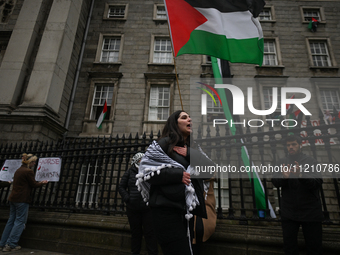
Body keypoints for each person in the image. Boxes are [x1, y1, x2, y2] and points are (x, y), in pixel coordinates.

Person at [136, 110, 214, 255]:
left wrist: (189, 153)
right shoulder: (163, 143)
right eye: (184, 117)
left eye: (190, 117)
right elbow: (145, 171)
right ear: (174, 123)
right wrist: (178, 175)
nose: (189, 119)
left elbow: (210, 170)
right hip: (166, 211)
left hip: (186, 213)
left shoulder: (193, 147)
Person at [272, 135, 323, 255]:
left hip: (310, 211)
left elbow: (318, 182)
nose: (291, 147)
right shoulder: (282, 162)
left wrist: (301, 175)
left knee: (314, 248)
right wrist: (284, 177)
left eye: (294, 144)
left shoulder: (311, 161)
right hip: (289, 212)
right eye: (289, 145)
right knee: (289, 248)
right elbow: (275, 181)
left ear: (300, 145)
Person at [0, 153, 48, 252]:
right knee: (20, 222)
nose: (35, 163)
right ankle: (11, 244)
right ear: (30, 162)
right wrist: (42, 183)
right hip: (22, 200)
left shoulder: (18, 170)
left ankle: (2, 243)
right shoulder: (28, 171)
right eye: (34, 162)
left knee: (11, 221)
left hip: (13, 198)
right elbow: (34, 184)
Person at [118, 152, 158, 255]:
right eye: (140, 160)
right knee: (136, 233)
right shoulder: (129, 172)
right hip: (133, 209)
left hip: (147, 208)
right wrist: (128, 198)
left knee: (150, 233)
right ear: (136, 161)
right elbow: (121, 187)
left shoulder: (148, 171)